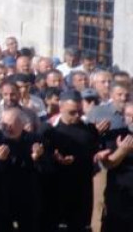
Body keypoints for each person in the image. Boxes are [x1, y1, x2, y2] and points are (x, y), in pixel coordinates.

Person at [41, 90, 100, 232]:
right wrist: (53, 157)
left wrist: (77, 158)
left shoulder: (89, 128)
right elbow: (40, 154)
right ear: (60, 108)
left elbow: (94, 152)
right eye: (72, 112)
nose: (77, 116)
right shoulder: (48, 129)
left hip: (80, 186)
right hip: (54, 186)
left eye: (79, 111)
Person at [0, 108, 45, 232]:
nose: (8, 128)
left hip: (27, 198)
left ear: (22, 124)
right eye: (4, 125)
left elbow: (46, 169)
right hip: (1, 198)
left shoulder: (35, 140)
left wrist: (37, 159)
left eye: (12, 124)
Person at [95, 102, 133, 232]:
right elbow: (109, 164)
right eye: (128, 115)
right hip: (119, 195)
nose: (132, 119)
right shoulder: (115, 135)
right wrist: (122, 151)